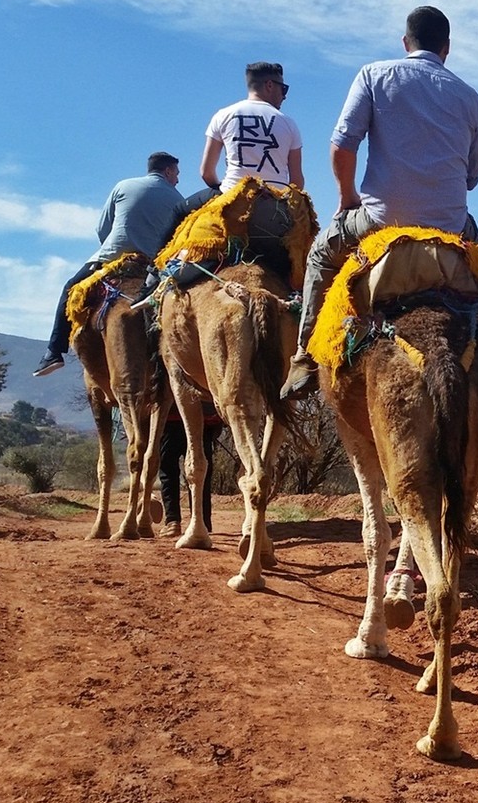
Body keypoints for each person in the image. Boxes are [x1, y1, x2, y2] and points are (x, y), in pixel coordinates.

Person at [280, 6, 478, 398]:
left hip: (380, 219)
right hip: (449, 226)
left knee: (321, 256)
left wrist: (347, 197)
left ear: (405, 42)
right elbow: (472, 178)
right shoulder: (470, 98)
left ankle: (305, 357)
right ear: (447, 48)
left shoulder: (375, 74)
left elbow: (342, 146)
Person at [34, 151, 193, 376]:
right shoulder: (179, 200)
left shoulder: (123, 186)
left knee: (70, 289)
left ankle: (54, 352)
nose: (177, 180)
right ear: (167, 171)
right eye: (176, 174)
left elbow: (102, 229)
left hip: (112, 256)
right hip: (154, 265)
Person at [200, 62, 305, 194]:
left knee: (179, 210)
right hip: (275, 203)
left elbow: (206, 173)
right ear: (270, 85)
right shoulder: (289, 124)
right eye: (283, 89)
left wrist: (222, 193)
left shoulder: (222, 116)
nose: (284, 96)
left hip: (233, 198)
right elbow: (297, 182)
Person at [157, 403, 223, 536]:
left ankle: (173, 521)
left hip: (171, 420)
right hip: (202, 420)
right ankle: (202, 522)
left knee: (168, 472)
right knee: (201, 473)